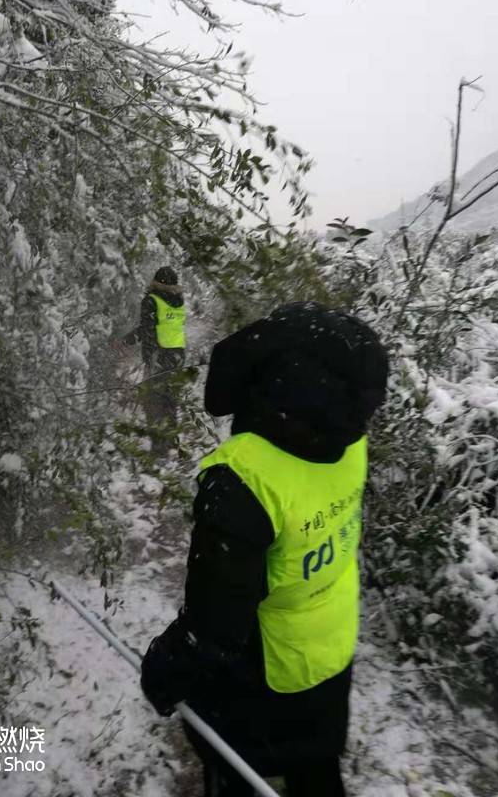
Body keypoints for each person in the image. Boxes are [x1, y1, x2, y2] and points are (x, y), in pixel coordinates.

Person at [140, 302, 389, 797]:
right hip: (330, 650)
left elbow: (214, 625)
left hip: (263, 676)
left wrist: (165, 672)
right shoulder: (349, 445)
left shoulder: (243, 481)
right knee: (316, 768)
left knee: (235, 775)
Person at [123, 266, 186, 437]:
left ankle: (159, 448)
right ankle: (173, 443)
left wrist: (125, 341)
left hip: (159, 357)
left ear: (156, 281)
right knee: (170, 402)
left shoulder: (152, 300)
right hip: (177, 357)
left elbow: (146, 330)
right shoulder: (178, 301)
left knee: (153, 403)